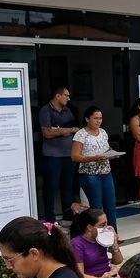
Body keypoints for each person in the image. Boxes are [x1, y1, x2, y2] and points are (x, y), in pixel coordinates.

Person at [71, 105, 118, 230]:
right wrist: (93, 158)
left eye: (100, 118)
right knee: (96, 207)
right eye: (95, 118)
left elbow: (106, 148)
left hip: (105, 172)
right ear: (87, 119)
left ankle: (112, 234)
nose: (98, 121)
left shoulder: (103, 132)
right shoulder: (81, 134)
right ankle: (97, 235)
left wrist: (111, 154)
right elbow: (75, 156)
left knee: (110, 205)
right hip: (90, 174)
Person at [38, 86, 79, 223]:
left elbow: (75, 129)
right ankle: (50, 218)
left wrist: (59, 130)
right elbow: (47, 133)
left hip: (68, 154)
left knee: (67, 186)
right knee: (51, 186)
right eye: (66, 95)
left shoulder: (68, 111)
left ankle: (67, 216)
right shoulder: (46, 110)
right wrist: (65, 130)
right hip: (52, 155)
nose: (68, 98)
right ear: (57, 96)